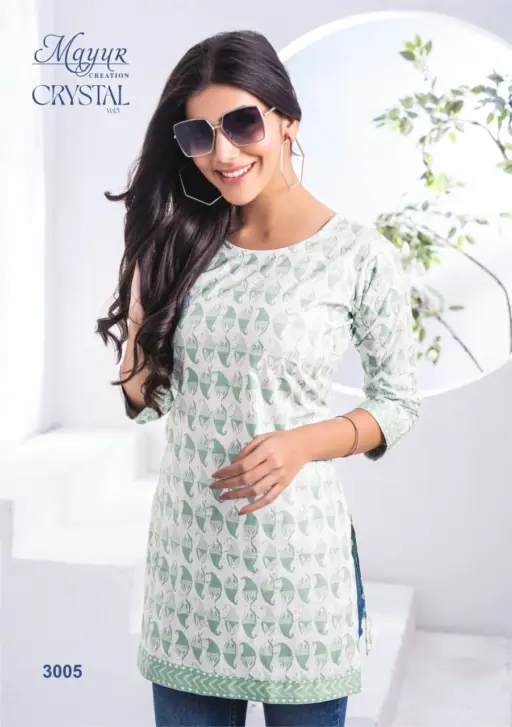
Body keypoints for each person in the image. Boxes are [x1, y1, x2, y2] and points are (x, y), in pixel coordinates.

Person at [96, 29, 422, 727]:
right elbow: (147, 401)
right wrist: (142, 291)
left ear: (287, 120)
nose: (223, 152)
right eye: (199, 134)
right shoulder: (184, 244)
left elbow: (398, 401)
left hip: (298, 575)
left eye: (242, 123)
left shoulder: (357, 256)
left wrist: (305, 442)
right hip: (188, 575)